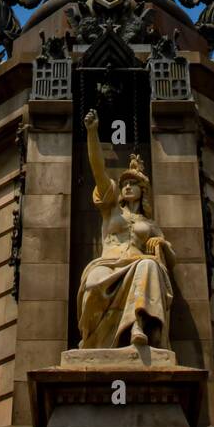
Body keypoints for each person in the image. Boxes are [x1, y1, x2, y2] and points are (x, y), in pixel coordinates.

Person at [77, 109, 174, 349]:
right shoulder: (110, 209)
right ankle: (93, 341)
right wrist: (92, 133)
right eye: (125, 183)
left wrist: (161, 245)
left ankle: (137, 328)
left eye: (134, 184)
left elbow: (170, 259)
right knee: (92, 286)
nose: (128, 187)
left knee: (149, 265)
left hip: (138, 262)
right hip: (107, 264)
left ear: (143, 191)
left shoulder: (150, 224)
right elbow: (98, 170)